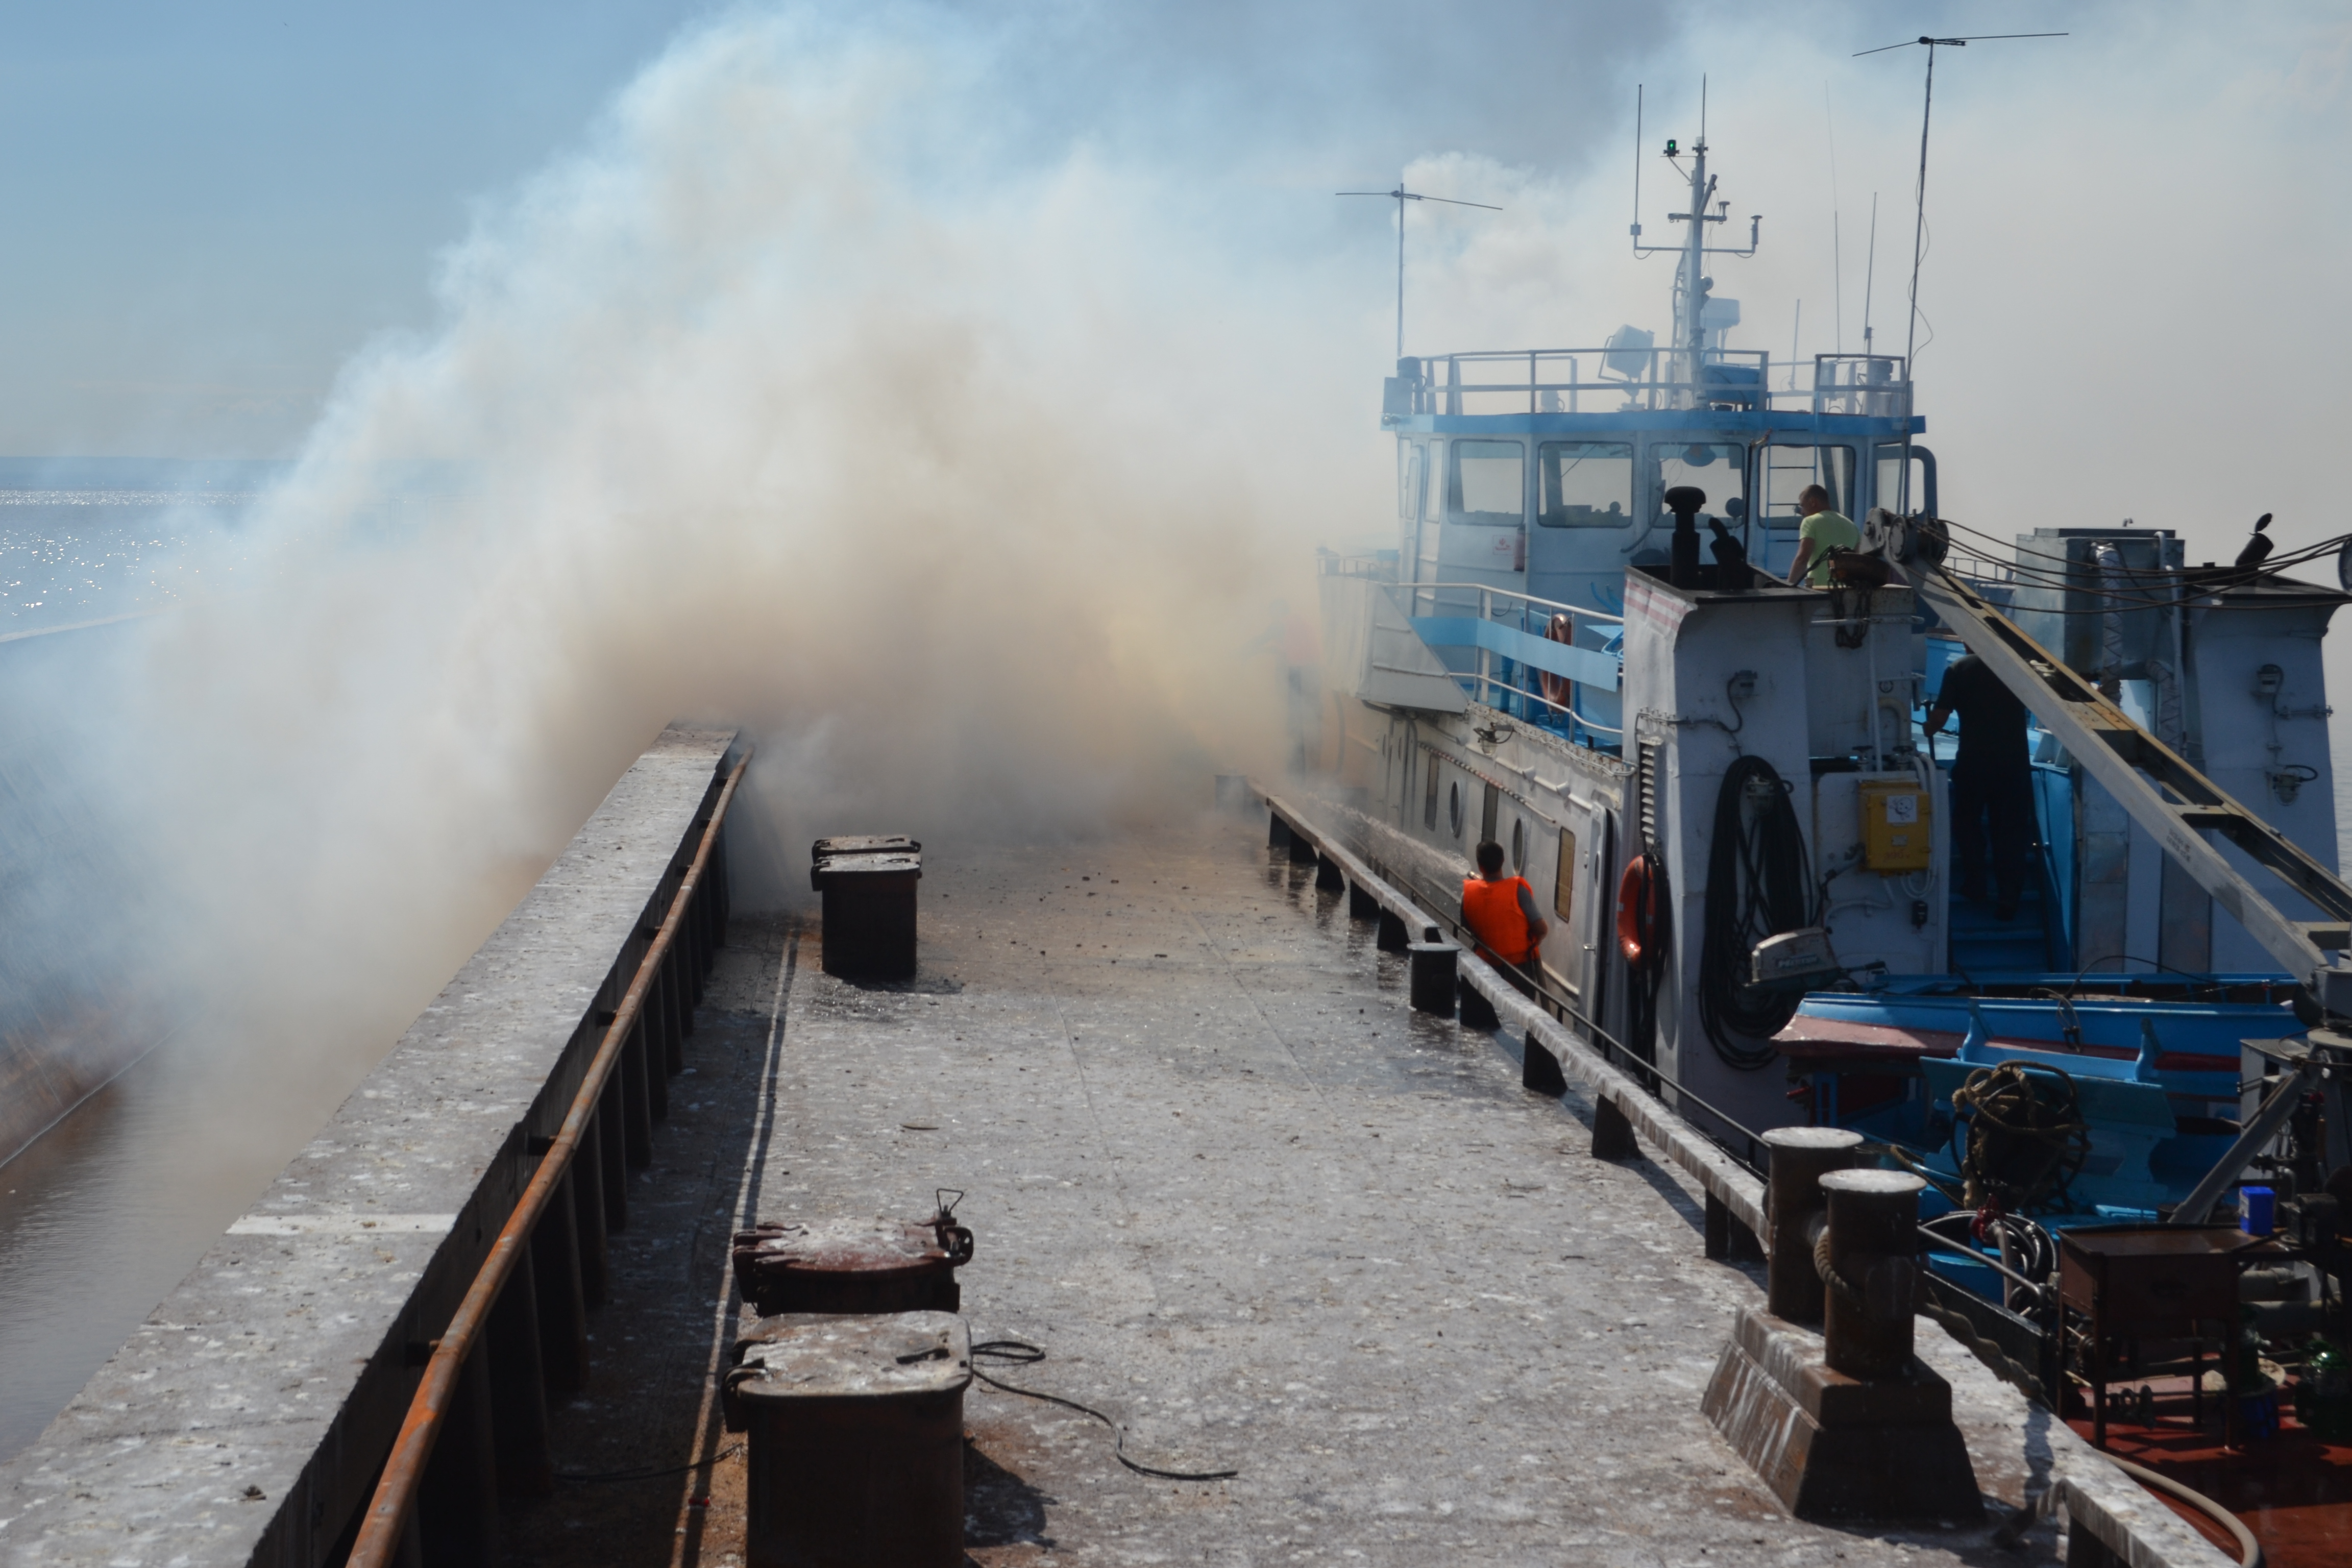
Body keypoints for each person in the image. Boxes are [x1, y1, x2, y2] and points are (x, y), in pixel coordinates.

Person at [1925, 653, 2036, 921]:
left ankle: (1976, 884)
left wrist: (1924, 730)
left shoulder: (1959, 669)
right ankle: (2009, 899)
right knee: (2010, 830)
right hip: (2014, 764)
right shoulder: (2018, 666)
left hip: (1974, 763)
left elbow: (1941, 716)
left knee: (1967, 822)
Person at [1461, 840, 1550, 975]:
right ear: (1503, 861)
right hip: (1520, 969)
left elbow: (1468, 926)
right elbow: (1541, 930)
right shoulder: (1518, 890)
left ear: (1480, 866)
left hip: (1484, 966)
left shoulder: (1468, 893)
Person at [1782, 483, 1859, 589]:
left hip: (1820, 594)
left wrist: (1788, 587)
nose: (1802, 512)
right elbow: (1857, 562)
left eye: (1803, 506)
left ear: (1813, 502)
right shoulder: (1852, 525)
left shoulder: (1810, 521)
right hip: (1845, 595)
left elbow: (1802, 559)